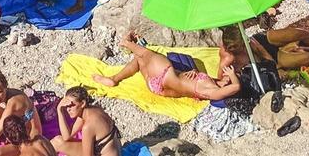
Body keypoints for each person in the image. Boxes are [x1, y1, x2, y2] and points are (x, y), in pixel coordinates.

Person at [94, 33, 240, 101]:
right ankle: (114, 79)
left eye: (230, 76)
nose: (227, 74)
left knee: (147, 54)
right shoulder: (212, 84)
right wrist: (195, 72)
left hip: (165, 74)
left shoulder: (214, 92)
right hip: (158, 89)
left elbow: (236, 88)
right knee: (139, 60)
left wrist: (233, 77)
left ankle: (126, 43)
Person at [53, 87, 120, 156]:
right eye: (66, 106)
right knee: (58, 142)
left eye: (71, 106)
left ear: (82, 103)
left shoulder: (88, 126)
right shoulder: (92, 110)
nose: (68, 109)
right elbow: (67, 137)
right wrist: (59, 111)